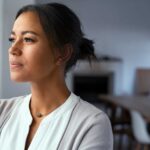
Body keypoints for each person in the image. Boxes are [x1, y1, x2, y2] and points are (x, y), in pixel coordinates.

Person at [0, 3, 113, 150]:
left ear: (62, 53)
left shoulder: (92, 124)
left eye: (28, 39)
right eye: (12, 39)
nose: (13, 49)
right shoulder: (3, 110)